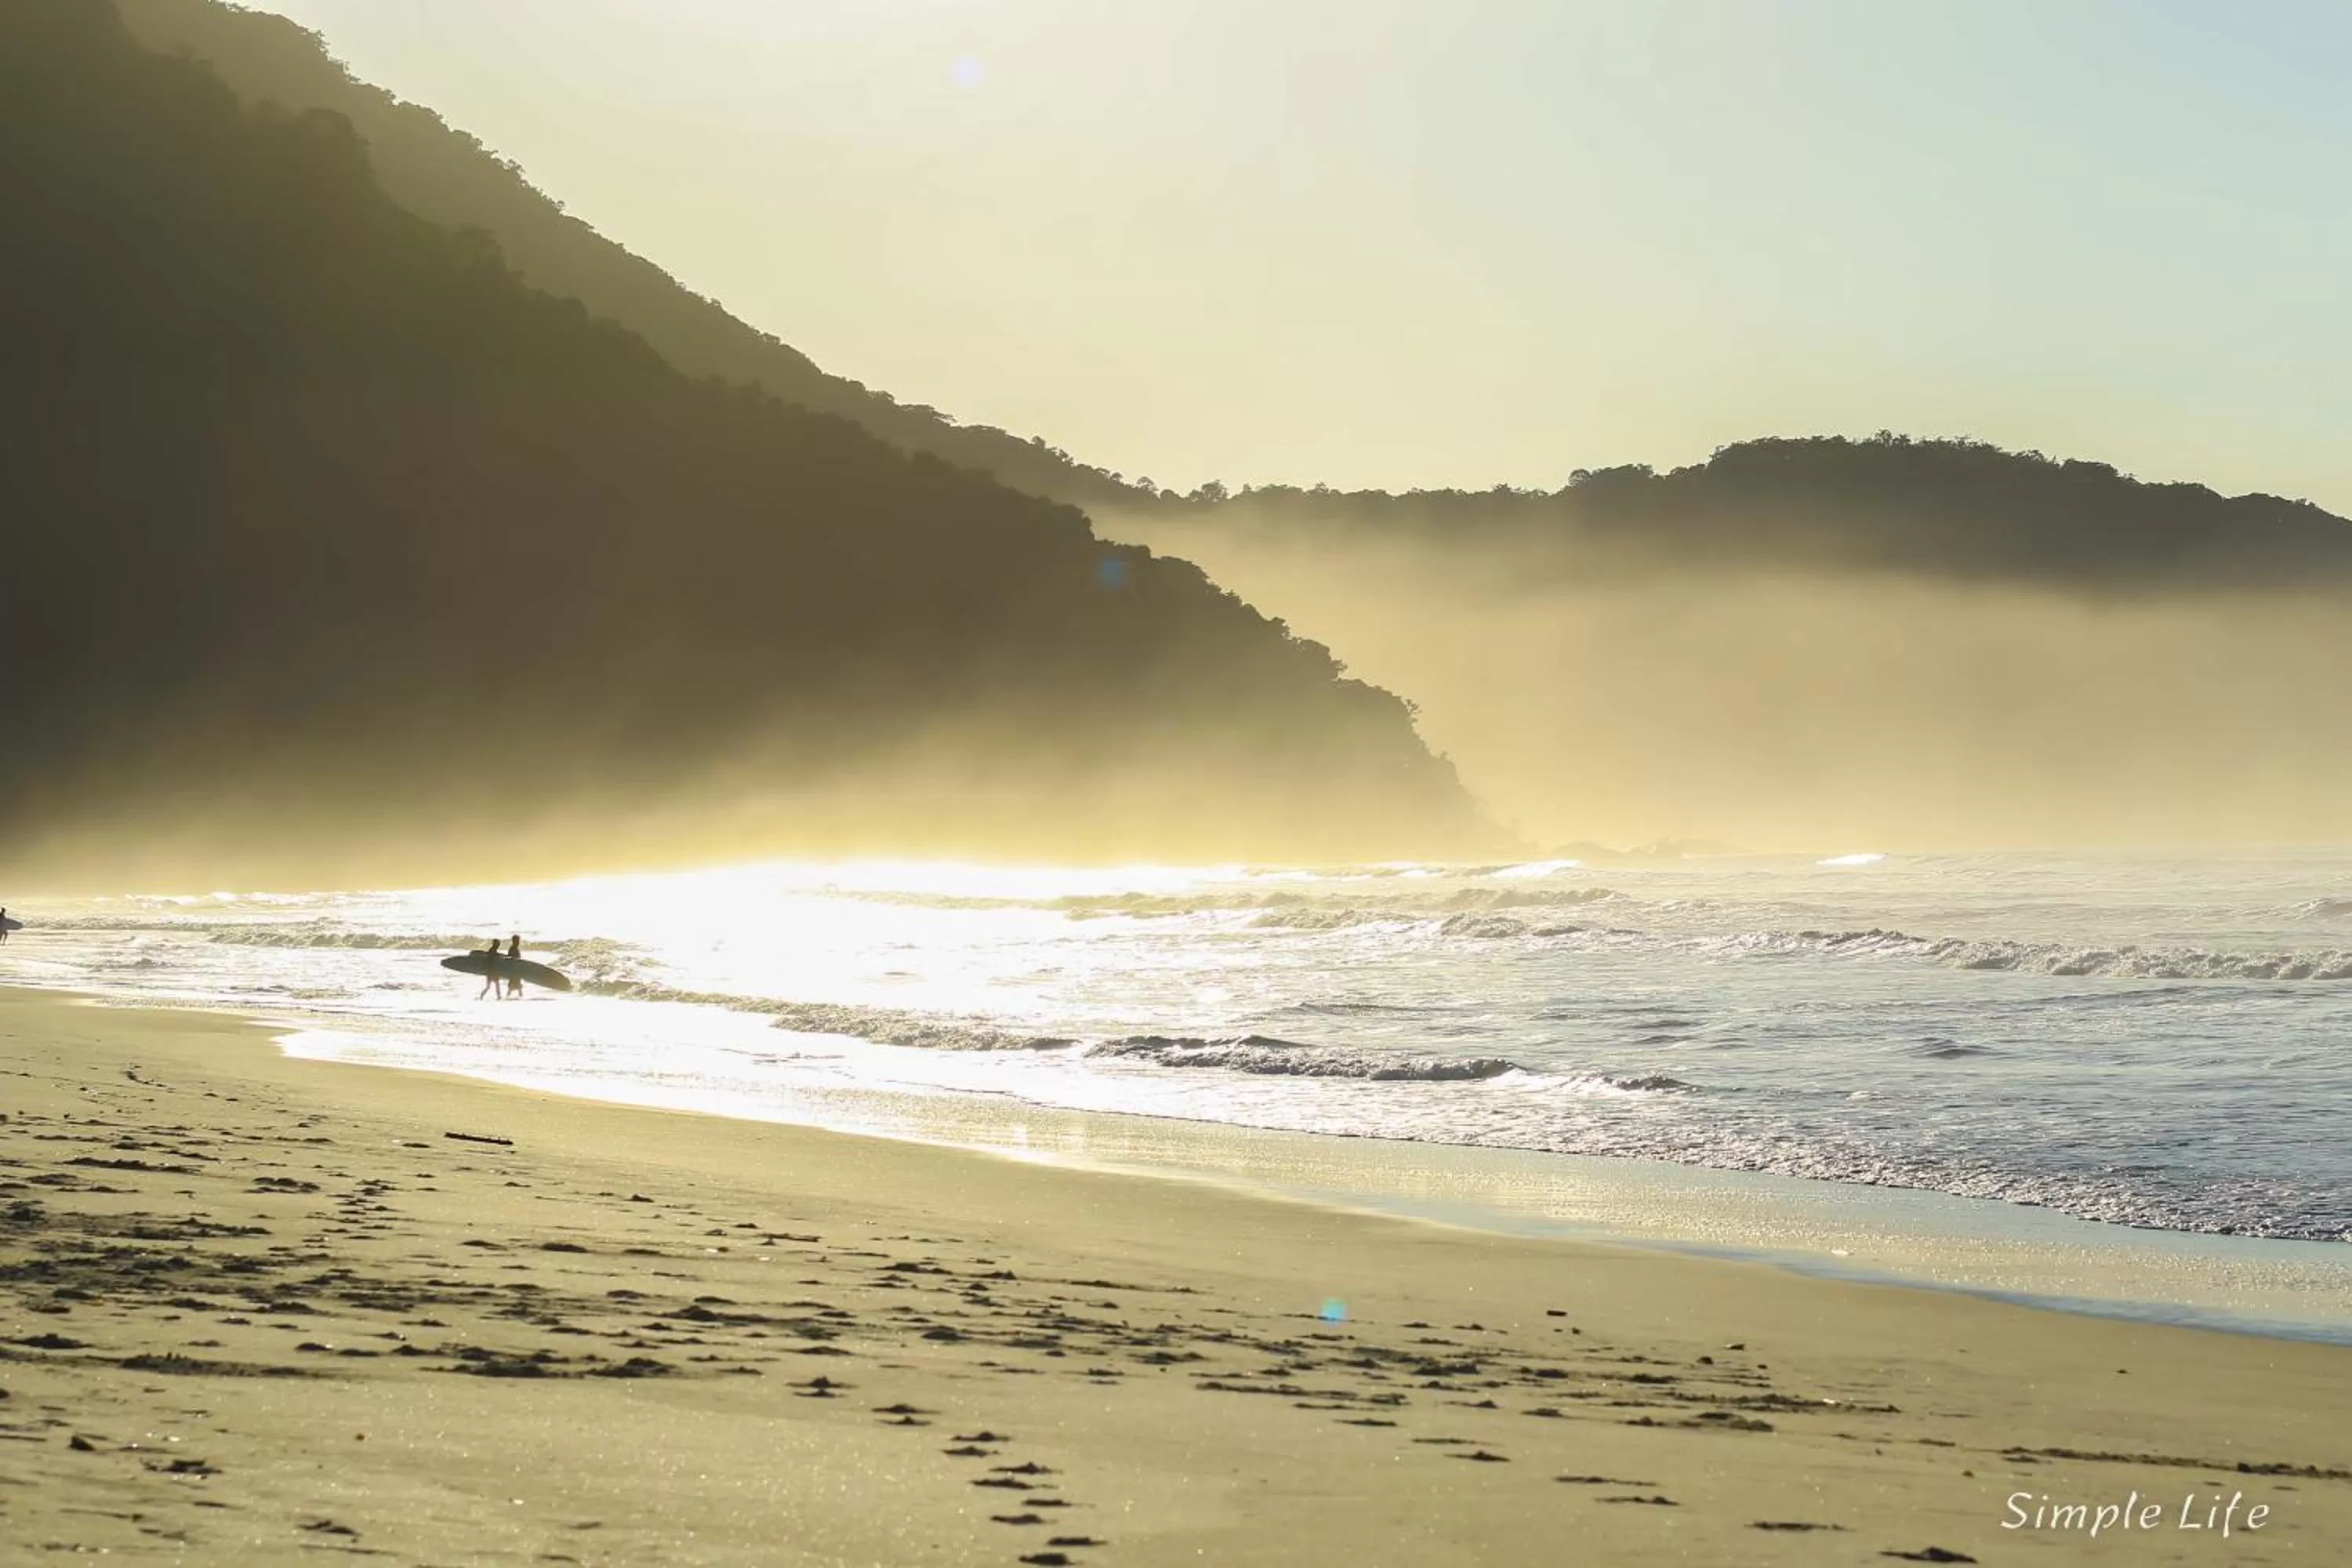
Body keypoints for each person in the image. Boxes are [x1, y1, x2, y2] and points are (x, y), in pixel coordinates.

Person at [506, 935, 525, 1000]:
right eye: (517, 941)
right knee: (514, 986)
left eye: (519, 941)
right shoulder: (513, 948)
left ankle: (507, 997)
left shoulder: (515, 948)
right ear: (514, 941)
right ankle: (507, 997)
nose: (518, 942)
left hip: (516, 969)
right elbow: (510, 958)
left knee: (517, 986)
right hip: (514, 970)